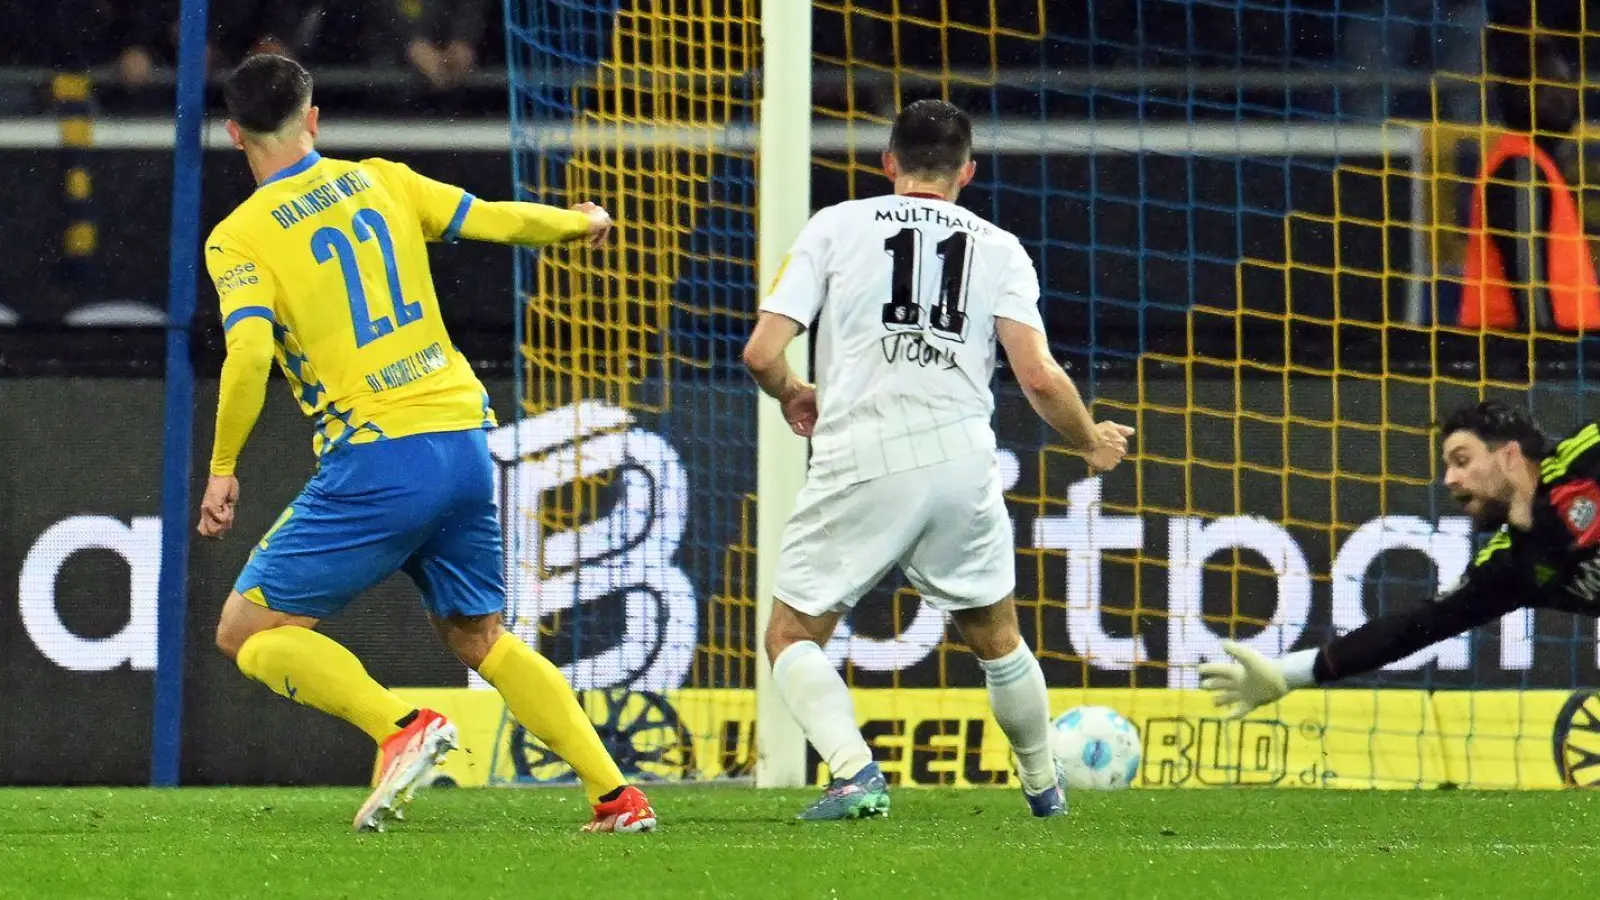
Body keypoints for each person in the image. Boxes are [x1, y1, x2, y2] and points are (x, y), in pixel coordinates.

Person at [198, 53, 655, 835]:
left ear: (234, 132)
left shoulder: (238, 239)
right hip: (464, 440)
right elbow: (498, 219)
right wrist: (579, 222)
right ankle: (617, 796)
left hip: (379, 453)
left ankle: (400, 725)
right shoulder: (384, 178)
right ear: (313, 117)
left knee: (246, 632)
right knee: (480, 636)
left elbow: (246, 355)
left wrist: (222, 468)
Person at [743, 98, 1135, 820]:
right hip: (962, 459)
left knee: (791, 634)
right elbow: (1041, 377)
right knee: (997, 635)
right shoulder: (999, 247)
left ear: (888, 162)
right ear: (968, 171)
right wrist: (1088, 441)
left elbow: (762, 352)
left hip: (863, 452)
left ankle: (856, 773)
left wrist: (794, 390)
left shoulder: (836, 226)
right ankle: (1046, 787)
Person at [1201, 400, 1600, 715]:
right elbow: (1413, 628)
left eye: (1462, 460)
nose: (1449, 480)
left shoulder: (1587, 458)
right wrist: (1286, 675)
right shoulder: (1507, 568)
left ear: (1509, 456)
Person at [1459, 34, 1599, 332]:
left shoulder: (1535, 163)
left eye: (1566, 84)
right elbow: (1528, 274)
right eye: (1549, 84)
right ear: (1519, 94)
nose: (1564, 96)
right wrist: (1547, 351)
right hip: (1523, 359)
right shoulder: (1519, 165)